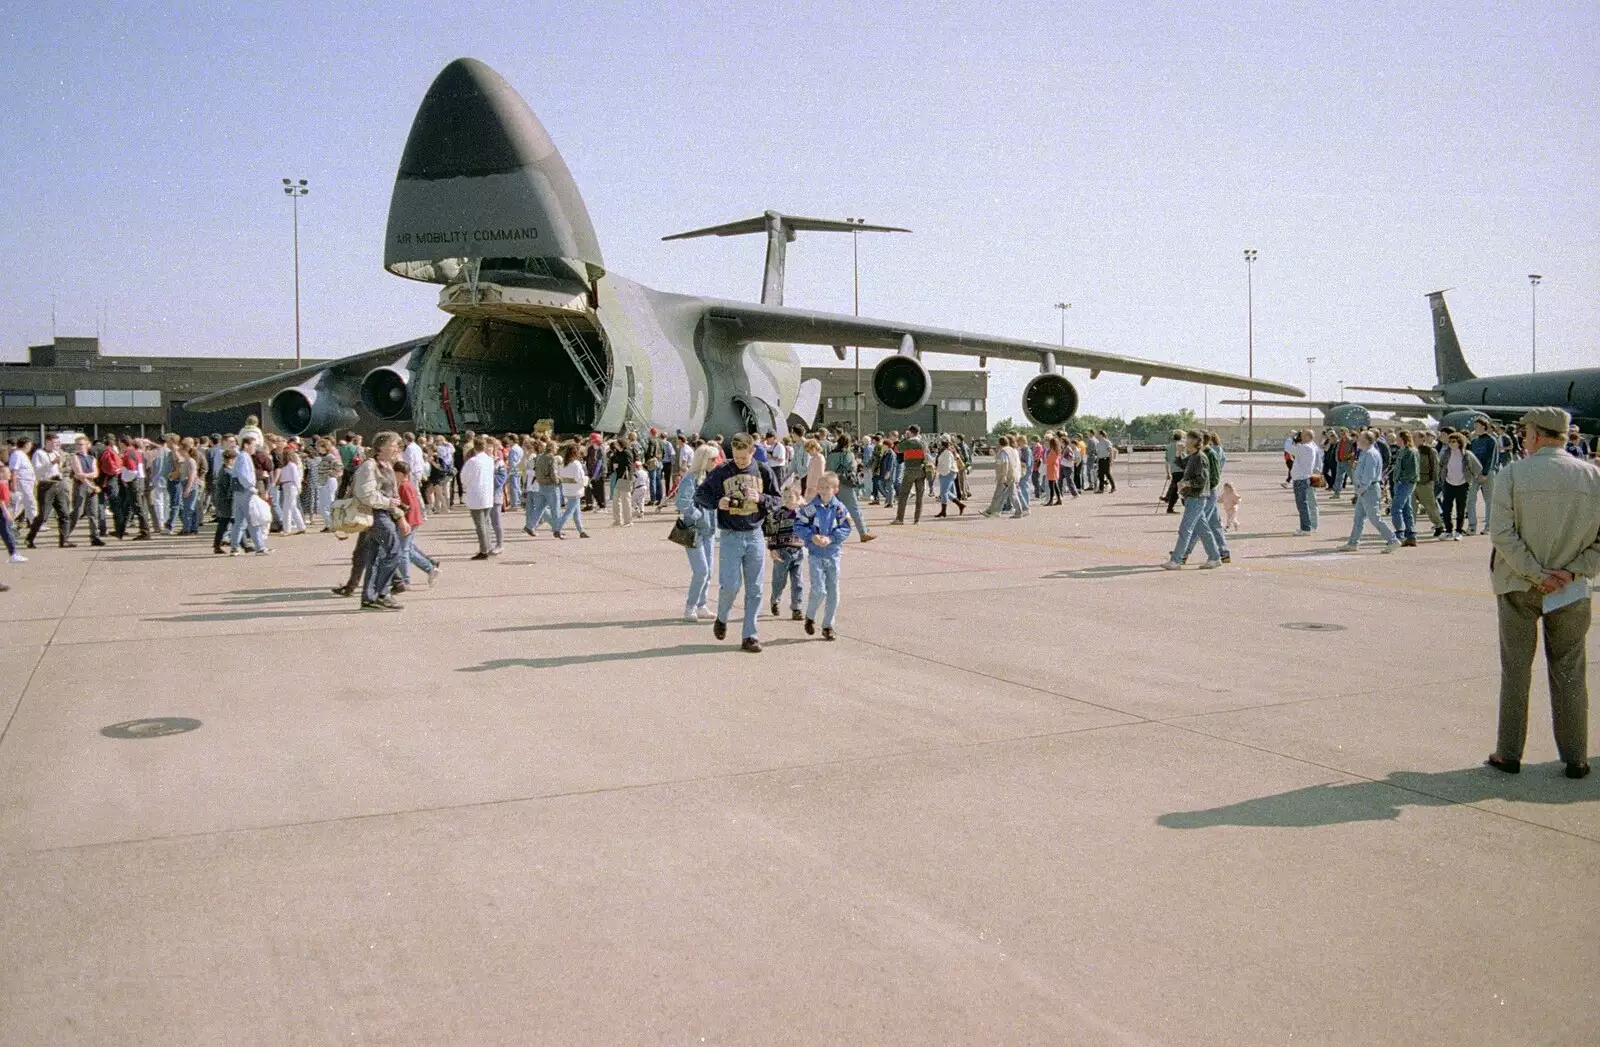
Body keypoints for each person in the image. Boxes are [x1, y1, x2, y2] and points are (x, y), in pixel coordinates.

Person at [1484, 407, 1600, 780]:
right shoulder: (1593, 477)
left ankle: (1509, 753)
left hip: (1519, 586)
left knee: (1515, 670)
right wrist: (1571, 572)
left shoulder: (1513, 473)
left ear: (1535, 435)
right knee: (1570, 671)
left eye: (1526, 431)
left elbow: (1502, 533)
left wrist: (1535, 574)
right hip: (1571, 590)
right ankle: (1576, 758)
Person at [694, 432, 782, 653]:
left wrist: (760, 498)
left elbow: (777, 500)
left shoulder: (763, 470)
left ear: (752, 451)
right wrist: (718, 502)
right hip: (731, 536)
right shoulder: (722, 471)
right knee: (730, 585)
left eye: (744, 458)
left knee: (755, 588)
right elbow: (700, 495)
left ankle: (750, 635)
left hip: (754, 535)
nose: (740, 462)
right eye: (736, 457)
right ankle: (722, 617)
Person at [348, 431, 407, 610]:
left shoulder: (388, 466)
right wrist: (388, 503)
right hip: (376, 514)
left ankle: (369, 597)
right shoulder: (369, 466)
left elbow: (394, 495)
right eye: (393, 444)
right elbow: (365, 493)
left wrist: (400, 515)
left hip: (385, 513)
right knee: (394, 551)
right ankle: (382, 593)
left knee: (374, 556)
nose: (397, 448)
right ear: (381, 447)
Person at [795, 471, 851, 640]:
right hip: (815, 554)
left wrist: (832, 538)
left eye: (828, 487)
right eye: (821, 487)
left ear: (835, 489)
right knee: (819, 590)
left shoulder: (840, 508)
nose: (824, 490)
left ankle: (828, 625)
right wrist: (812, 536)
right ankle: (810, 616)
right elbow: (798, 525)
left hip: (832, 554)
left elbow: (846, 527)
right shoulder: (810, 508)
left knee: (833, 591)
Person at [1162, 431, 1221, 570]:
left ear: (1195, 441)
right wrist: (1178, 452)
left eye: (1187, 439)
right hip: (1193, 497)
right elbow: (1180, 464)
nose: (1185, 441)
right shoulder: (1193, 457)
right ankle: (1214, 557)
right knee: (1203, 529)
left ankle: (1176, 561)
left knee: (1185, 529)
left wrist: (1186, 484)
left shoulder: (1200, 457)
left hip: (1197, 497)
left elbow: (1202, 479)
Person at [675, 443, 719, 620]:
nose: (715, 461)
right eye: (712, 459)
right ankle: (690, 607)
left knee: (708, 571)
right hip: (694, 530)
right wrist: (699, 515)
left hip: (708, 530)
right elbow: (682, 502)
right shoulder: (690, 478)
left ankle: (702, 604)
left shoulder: (709, 477)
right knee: (701, 570)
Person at [1343, 431, 1400, 552]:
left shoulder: (1370, 454)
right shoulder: (1365, 453)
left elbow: (1369, 474)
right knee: (1358, 518)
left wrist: (1362, 488)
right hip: (1365, 489)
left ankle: (1393, 540)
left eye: (1360, 438)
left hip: (1368, 489)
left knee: (1374, 518)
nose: (1357, 440)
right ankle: (1353, 543)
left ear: (1366, 440)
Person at [391, 460, 439, 590]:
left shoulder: (404, 487)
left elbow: (409, 506)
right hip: (413, 520)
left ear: (400, 473)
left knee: (403, 550)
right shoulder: (408, 485)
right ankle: (429, 568)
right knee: (408, 549)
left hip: (409, 521)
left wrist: (403, 520)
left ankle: (406, 580)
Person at [26, 434, 76, 550]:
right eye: (55, 443)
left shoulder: (56, 453)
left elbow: (59, 469)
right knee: (43, 515)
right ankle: (30, 538)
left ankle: (64, 540)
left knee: (64, 513)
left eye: (58, 443)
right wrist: (52, 462)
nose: (57, 445)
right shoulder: (39, 454)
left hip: (58, 484)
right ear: (47, 442)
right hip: (46, 485)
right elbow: (37, 470)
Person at [823, 433, 874, 541]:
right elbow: (853, 468)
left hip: (833, 484)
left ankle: (826, 533)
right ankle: (863, 533)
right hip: (845, 484)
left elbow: (827, 469)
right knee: (854, 509)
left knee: (830, 510)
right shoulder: (848, 454)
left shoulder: (831, 455)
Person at [766, 483, 805, 621]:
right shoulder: (778, 514)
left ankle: (796, 608)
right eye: (786, 497)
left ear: (798, 498)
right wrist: (772, 549)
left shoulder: (802, 513)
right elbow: (771, 532)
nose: (788, 499)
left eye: (791, 497)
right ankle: (775, 600)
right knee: (779, 581)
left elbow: (813, 524)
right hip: (782, 552)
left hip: (798, 552)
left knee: (798, 582)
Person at [227, 436, 269, 555]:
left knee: (239, 521)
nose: (254, 448)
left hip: (239, 491)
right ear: (246, 445)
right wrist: (251, 487)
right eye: (253, 445)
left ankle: (234, 547)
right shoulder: (244, 457)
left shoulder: (241, 456)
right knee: (253, 519)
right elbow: (244, 475)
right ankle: (260, 547)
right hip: (246, 491)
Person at [1437, 431, 1481, 541]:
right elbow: (1440, 465)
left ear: (1460, 442)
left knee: (1461, 509)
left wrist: (1470, 478)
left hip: (1463, 484)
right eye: (1450, 441)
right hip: (1448, 483)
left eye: (1454, 441)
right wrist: (1441, 477)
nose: (1451, 443)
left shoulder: (1467, 454)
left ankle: (1458, 531)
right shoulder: (1446, 454)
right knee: (1446, 508)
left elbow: (1478, 467)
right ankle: (1448, 531)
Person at [66, 435, 106, 547]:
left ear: (88, 445)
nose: (79, 447)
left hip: (91, 485)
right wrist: (90, 483)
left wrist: (86, 476)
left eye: (82, 444)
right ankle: (65, 534)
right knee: (77, 511)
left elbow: (95, 473)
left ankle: (95, 537)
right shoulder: (75, 457)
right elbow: (79, 475)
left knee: (93, 513)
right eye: (77, 444)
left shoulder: (92, 458)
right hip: (81, 486)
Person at [460, 437, 497, 560]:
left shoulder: (472, 461)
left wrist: (468, 484)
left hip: (476, 494)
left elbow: (464, 478)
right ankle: (488, 545)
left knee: (480, 524)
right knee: (486, 522)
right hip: (487, 493)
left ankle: (484, 549)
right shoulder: (489, 460)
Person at [1465, 418, 1500, 535]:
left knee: (1489, 500)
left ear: (1484, 427)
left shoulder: (1491, 440)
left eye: (1478, 426)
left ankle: (1489, 526)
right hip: (1474, 474)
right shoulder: (1474, 442)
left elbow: (1492, 458)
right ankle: (1472, 526)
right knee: (1470, 499)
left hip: (1488, 473)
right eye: (1475, 426)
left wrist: (1484, 473)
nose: (1476, 428)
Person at [554, 443, 592, 539]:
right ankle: (557, 529)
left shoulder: (563, 463)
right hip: (575, 489)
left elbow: (560, 475)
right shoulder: (576, 464)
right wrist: (586, 480)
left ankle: (581, 530)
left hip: (566, 488)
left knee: (576, 511)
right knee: (569, 511)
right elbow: (579, 478)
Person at [1388, 430, 1419, 547]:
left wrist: (1401, 479)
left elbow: (1413, 471)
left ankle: (1399, 534)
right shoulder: (1401, 451)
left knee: (1396, 508)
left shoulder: (1411, 452)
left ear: (1403, 439)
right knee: (1406, 509)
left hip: (1406, 483)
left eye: (1398, 438)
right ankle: (1411, 535)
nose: (1396, 440)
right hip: (1399, 482)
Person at [1413, 430, 1445, 539]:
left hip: (1425, 481)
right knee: (1411, 506)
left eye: (1416, 437)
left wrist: (1433, 481)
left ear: (1423, 439)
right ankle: (1410, 528)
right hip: (1412, 482)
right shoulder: (1411, 450)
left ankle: (1439, 525)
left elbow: (1435, 467)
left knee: (1429, 506)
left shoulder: (1430, 451)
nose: (1413, 439)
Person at [1289, 428, 1320, 534]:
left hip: (1308, 477)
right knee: (1307, 503)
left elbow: (1290, 448)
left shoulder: (1307, 447)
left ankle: (1308, 527)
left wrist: (1291, 438)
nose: (1300, 437)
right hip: (1307, 476)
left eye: (1302, 435)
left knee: (1307, 503)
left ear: (1308, 437)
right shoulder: (1310, 446)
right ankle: (1309, 525)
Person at [277, 449, 306, 535]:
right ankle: (301, 526)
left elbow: (296, 477)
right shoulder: (287, 466)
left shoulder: (291, 465)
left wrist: (298, 487)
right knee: (293, 507)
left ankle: (287, 529)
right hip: (287, 486)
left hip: (291, 486)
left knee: (287, 508)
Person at [0, 461, 23, 563]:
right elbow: (1, 501)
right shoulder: (2, 484)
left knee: (7, 531)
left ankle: (13, 553)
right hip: (1, 511)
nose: (10, 474)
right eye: (7, 472)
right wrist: (6, 512)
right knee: (6, 532)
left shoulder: (4, 483)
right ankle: (13, 553)